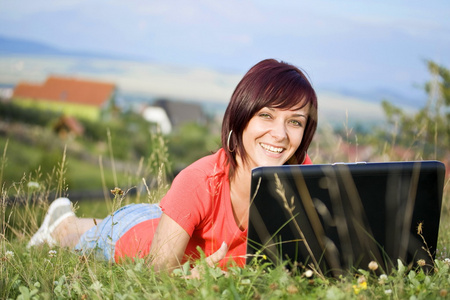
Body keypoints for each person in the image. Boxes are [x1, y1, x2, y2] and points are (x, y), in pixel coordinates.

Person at [28, 58, 318, 274]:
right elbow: (157, 275)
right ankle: (61, 224)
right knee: (88, 234)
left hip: (171, 217)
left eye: (294, 121)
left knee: (143, 218)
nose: (280, 134)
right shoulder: (200, 179)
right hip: (133, 235)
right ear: (241, 117)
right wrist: (191, 280)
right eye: (266, 115)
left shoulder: (305, 178)